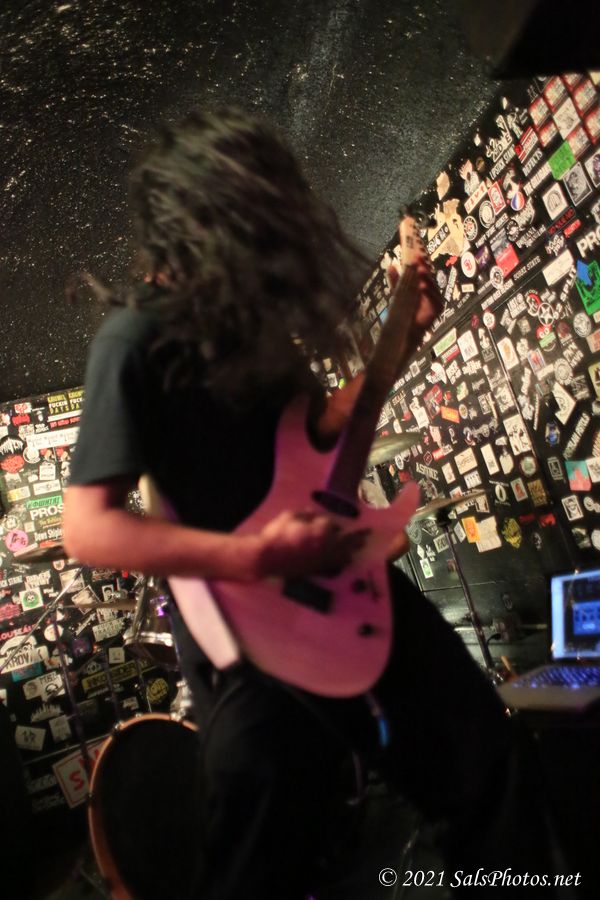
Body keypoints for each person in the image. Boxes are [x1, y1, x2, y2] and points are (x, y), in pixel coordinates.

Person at [63, 109, 561, 899]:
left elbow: (323, 438)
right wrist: (252, 554)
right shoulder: (132, 339)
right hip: (245, 634)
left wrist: (399, 339)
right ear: (201, 219)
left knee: (488, 768)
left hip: (339, 583)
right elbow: (87, 527)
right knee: (262, 862)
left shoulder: (251, 334)